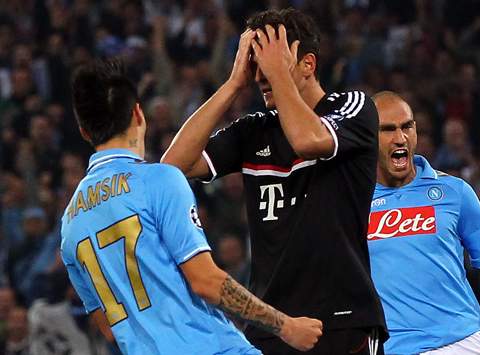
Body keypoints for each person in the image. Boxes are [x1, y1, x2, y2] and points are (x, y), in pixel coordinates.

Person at [162, 8, 387, 355]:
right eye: (255, 64)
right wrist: (232, 84)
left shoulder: (353, 106)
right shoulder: (254, 129)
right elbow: (172, 168)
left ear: (307, 64)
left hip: (341, 319)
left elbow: (308, 140)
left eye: (270, 61)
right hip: (272, 326)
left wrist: (279, 74)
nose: (260, 75)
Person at [60, 59, 322, 355]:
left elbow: (109, 328)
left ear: (84, 131)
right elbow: (206, 281)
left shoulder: (70, 224)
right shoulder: (158, 180)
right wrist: (286, 326)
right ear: (138, 113)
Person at [367, 91, 480, 355]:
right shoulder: (351, 203)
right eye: (387, 129)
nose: (400, 138)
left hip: (461, 343)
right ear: (368, 136)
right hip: (391, 348)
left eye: (407, 126)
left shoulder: (455, 192)